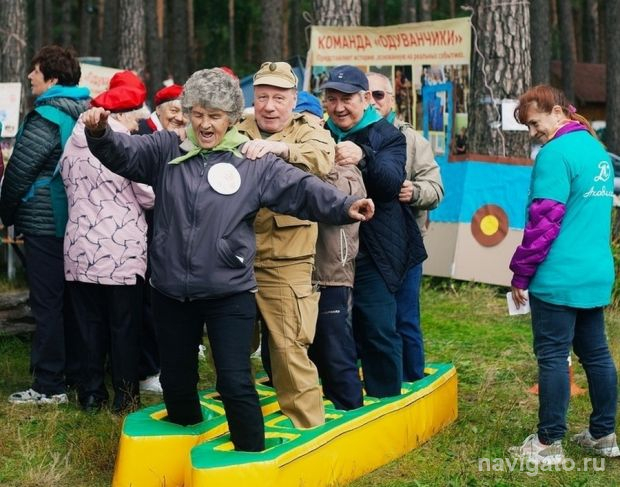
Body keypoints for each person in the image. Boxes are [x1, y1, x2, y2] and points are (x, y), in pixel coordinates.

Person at [82, 68, 374, 452]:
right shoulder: (165, 148)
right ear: (186, 114)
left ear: (234, 118)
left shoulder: (251, 160)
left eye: (216, 115)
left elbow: (301, 189)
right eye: (198, 114)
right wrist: (100, 133)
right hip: (171, 291)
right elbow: (124, 154)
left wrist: (346, 205)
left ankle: (251, 455)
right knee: (176, 380)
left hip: (228, 292)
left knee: (235, 382)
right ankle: (182, 448)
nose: (206, 124)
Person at [509, 85, 619, 464]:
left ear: (558, 112)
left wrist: (521, 273)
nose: (532, 132)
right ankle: (604, 435)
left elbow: (544, 223)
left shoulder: (555, 154)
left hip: (559, 274)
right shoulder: (595, 149)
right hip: (596, 271)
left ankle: (547, 443)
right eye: (527, 126)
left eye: (534, 123)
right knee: (597, 354)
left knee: (553, 355)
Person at [236, 62, 335, 428]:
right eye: (263, 97)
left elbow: (322, 160)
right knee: (226, 346)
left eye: (279, 98)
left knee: (290, 348)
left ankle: (308, 426)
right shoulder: (236, 127)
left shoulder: (309, 130)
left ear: (293, 100)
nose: (270, 106)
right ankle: (236, 419)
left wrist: (276, 149)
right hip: (235, 257)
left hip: (286, 258)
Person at [321, 65, 427, 398]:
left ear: (365, 98)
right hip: (330, 249)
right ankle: (339, 393)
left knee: (378, 326)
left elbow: (389, 183)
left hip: (375, 250)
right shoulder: (320, 133)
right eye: (332, 98)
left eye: (347, 98)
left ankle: (385, 398)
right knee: (331, 326)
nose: (339, 107)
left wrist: (364, 154)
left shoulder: (388, 134)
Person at [0, 45, 90, 405]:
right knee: (71, 301)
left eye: (35, 71)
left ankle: (49, 385)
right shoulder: (85, 111)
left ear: (52, 78)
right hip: (80, 220)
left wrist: (6, 213)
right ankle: (74, 373)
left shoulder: (46, 117)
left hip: (44, 221)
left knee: (47, 303)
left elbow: (19, 172)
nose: (29, 77)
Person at [62, 74, 154, 413]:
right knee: (124, 327)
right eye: (136, 118)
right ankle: (126, 399)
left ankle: (90, 395)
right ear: (123, 115)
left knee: (87, 325)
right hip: (121, 250)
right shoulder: (122, 144)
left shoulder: (72, 142)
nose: (138, 125)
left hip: (79, 246)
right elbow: (148, 195)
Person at [367, 72, 444, 382]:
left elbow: (436, 188)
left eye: (379, 95)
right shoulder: (343, 134)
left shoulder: (412, 140)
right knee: (371, 319)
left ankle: (413, 382)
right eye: (366, 95)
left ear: (392, 100)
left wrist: (415, 192)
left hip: (402, 247)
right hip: (360, 245)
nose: (372, 101)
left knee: (404, 317)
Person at [296, 92, 366, 410]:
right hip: (295, 271)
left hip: (331, 271)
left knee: (334, 342)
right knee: (298, 346)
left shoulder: (337, 158)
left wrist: (316, 166)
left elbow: (348, 198)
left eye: (305, 121)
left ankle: (349, 404)